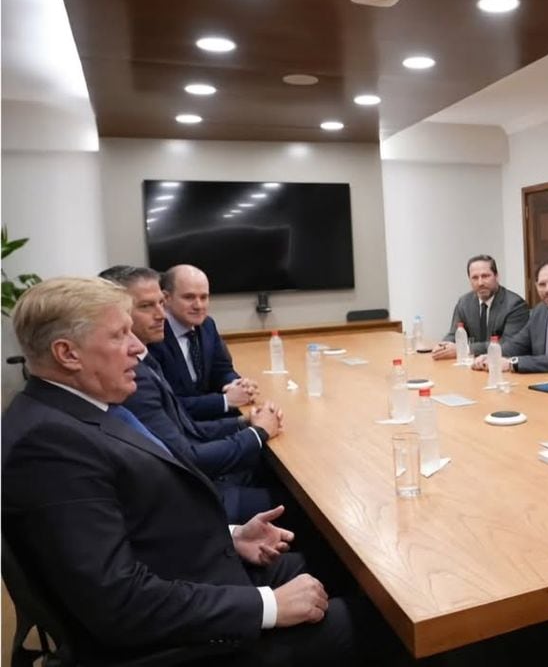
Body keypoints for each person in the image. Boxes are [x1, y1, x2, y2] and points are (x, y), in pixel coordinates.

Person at [1, 277, 359, 665]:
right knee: (376, 623)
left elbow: (134, 523)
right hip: (192, 639)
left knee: (346, 571)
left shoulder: (80, 411)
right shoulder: (48, 448)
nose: (139, 348)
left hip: (200, 572)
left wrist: (232, 534)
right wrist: (267, 606)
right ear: (67, 353)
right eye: (120, 335)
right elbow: (118, 603)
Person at [100, 265, 285, 522]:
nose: (160, 314)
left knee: (277, 471)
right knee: (296, 501)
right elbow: (188, 455)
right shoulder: (132, 375)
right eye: (146, 306)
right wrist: (258, 432)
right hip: (196, 498)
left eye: (160, 304)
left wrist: (243, 421)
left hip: (199, 470)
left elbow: (188, 428)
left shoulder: (146, 357)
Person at [147, 264, 258, 420]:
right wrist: (225, 401)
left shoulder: (207, 325)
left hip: (211, 415)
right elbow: (168, 404)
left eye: (204, 297)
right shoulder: (153, 335)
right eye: (189, 297)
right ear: (166, 298)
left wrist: (235, 384)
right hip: (184, 425)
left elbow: (222, 369)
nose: (198, 305)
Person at [432, 254, 529, 359]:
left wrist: (466, 349)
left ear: (497, 276)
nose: (480, 283)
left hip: (501, 367)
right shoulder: (464, 303)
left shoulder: (515, 305)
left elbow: (509, 345)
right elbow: (454, 334)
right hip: (473, 366)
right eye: (475, 277)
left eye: (485, 276)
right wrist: (444, 346)